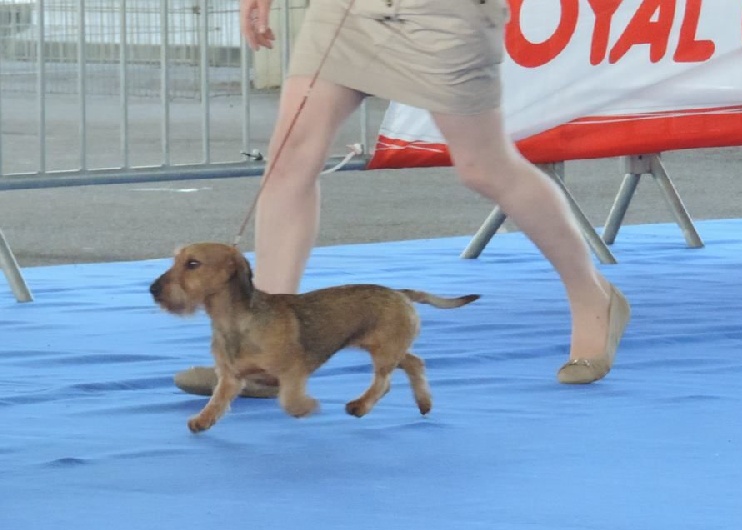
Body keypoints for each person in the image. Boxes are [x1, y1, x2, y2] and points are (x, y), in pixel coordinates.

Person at [174, 0, 630, 398]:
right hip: (347, 11)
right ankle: (268, 352)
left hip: (440, 13)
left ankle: (592, 295)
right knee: (289, 158)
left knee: (483, 166)